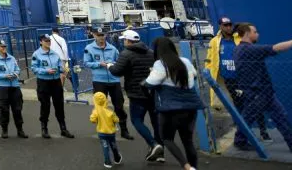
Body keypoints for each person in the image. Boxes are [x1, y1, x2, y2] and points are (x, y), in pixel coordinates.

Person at [232, 23, 292, 153]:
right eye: (255, 31)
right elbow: (276, 48)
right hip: (257, 93)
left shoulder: (238, 49)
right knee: (250, 117)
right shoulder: (249, 50)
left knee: (278, 117)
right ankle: (240, 141)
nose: (257, 34)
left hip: (261, 92)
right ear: (247, 33)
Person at [205, 17, 270, 141]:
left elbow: (252, 42)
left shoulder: (239, 38)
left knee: (255, 104)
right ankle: (245, 131)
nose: (228, 27)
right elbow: (210, 58)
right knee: (238, 105)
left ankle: (263, 131)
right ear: (220, 27)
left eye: (230, 25)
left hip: (244, 79)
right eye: (225, 25)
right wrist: (208, 71)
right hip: (230, 79)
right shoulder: (215, 41)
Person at [145, 37, 204, 170]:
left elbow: (150, 83)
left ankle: (187, 167)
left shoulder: (160, 64)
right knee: (188, 141)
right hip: (190, 107)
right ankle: (194, 167)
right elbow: (193, 76)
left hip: (170, 109)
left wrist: (150, 75)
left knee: (167, 138)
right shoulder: (185, 61)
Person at [107, 29, 164, 162]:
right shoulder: (150, 52)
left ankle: (153, 144)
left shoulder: (126, 54)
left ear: (128, 41)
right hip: (152, 91)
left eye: (124, 40)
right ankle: (160, 153)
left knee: (137, 120)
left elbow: (117, 71)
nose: (124, 42)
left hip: (136, 93)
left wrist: (110, 65)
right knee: (156, 122)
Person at [85, 28, 132, 140]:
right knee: (100, 107)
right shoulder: (89, 48)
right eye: (98, 35)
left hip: (114, 80)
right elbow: (87, 62)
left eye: (102, 35)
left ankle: (124, 130)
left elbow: (119, 61)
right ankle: (102, 129)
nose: (101, 37)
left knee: (119, 106)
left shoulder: (113, 48)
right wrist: (98, 64)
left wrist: (112, 63)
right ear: (94, 35)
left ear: (105, 35)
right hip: (99, 80)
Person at [31, 33, 73, 139]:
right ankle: (44, 128)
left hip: (55, 82)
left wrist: (64, 69)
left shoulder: (54, 54)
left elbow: (60, 66)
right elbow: (34, 69)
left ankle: (63, 128)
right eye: (46, 41)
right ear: (41, 42)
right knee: (45, 106)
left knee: (59, 106)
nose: (48, 42)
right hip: (44, 82)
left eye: (49, 40)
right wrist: (46, 71)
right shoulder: (36, 54)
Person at [0, 38, 27, 139]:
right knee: (4, 109)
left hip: (14, 86)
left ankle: (20, 130)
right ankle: (4, 129)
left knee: (18, 109)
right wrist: (4, 76)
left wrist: (15, 73)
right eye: (2, 47)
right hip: (2, 87)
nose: (4, 48)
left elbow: (17, 69)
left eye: (5, 46)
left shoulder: (12, 58)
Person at [90, 92, 123, 169]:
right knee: (113, 145)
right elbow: (116, 119)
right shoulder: (110, 112)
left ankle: (107, 162)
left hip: (101, 133)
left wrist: (95, 119)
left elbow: (92, 120)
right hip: (111, 133)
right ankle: (117, 158)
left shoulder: (96, 111)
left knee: (105, 147)